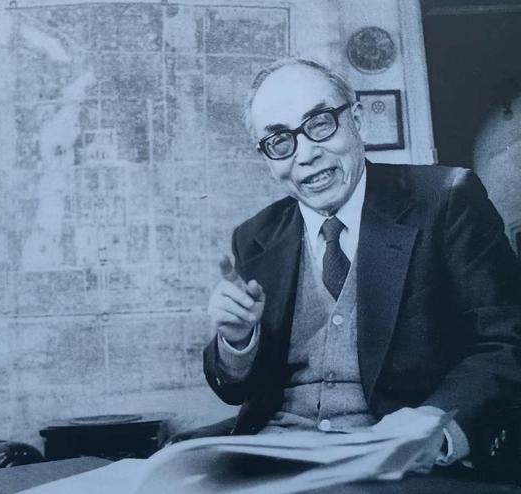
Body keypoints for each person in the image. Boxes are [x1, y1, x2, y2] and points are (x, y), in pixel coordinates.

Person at [204, 58, 521, 472]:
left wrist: (434, 422)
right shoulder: (255, 236)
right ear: (266, 157)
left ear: (356, 121)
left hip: (396, 464)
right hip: (275, 459)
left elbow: (506, 341)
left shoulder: (446, 200)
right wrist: (237, 342)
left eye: (320, 124)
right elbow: (237, 391)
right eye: (280, 141)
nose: (306, 154)